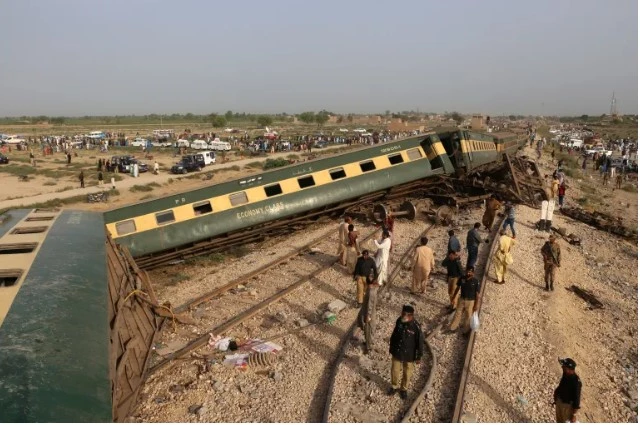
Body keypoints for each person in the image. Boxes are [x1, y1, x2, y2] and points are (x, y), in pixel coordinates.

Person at [387, 305, 424, 400]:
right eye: (402, 313)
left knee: (407, 372)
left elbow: (420, 343)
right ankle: (394, 386)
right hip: (398, 351)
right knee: (395, 370)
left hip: (409, 354)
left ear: (411, 316)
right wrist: (391, 348)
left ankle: (404, 389)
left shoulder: (416, 327)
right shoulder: (399, 321)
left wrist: (419, 356)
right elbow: (394, 334)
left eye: (405, 315)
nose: (403, 316)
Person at [449, 267, 480, 335]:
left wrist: (476, 305)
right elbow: (457, 288)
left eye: (470, 272)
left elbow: (477, 295)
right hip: (462, 299)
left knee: (468, 316)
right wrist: (454, 297)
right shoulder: (462, 278)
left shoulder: (475, 281)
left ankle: (465, 331)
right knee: (458, 313)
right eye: (467, 272)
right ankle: (453, 328)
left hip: (471, 301)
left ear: (473, 273)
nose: (468, 273)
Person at [357, 267, 380, 354]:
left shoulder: (371, 291)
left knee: (368, 329)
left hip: (369, 313)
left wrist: (368, 316)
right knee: (368, 329)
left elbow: (370, 305)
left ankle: (368, 347)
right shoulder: (373, 288)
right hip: (368, 311)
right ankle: (368, 342)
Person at [553, 358, 582, 423]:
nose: (562, 367)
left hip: (567, 407)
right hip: (559, 402)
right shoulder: (565, 374)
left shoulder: (576, 382)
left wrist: (574, 415)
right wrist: (556, 396)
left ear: (569, 369)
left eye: (564, 366)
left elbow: (577, 400)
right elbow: (561, 386)